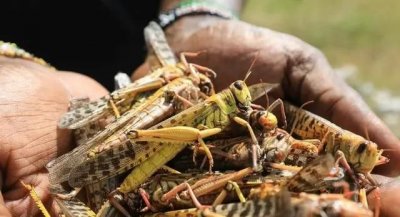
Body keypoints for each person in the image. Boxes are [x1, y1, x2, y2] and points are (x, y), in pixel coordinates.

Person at [0, 0, 399, 216]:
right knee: (174, 133)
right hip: (93, 114)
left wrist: (196, 13)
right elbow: (198, 134)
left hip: (122, 82)